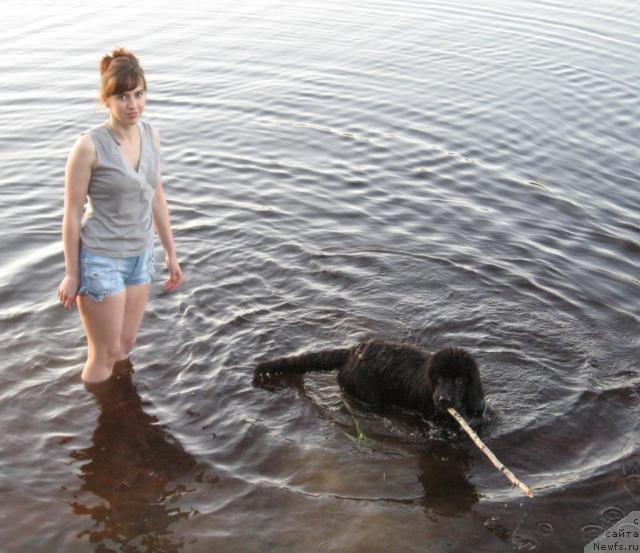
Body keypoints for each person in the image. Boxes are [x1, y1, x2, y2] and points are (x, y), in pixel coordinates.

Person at [57, 48, 182, 383]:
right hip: (101, 260)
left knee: (125, 346)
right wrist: (72, 273)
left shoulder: (151, 135)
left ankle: (121, 418)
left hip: (140, 257)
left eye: (139, 94)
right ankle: (100, 430)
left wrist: (170, 253)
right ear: (106, 100)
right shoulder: (89, 147)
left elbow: (157, 197)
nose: (133, 105)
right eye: (123, 96)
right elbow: (71, 214)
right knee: (104, 354)